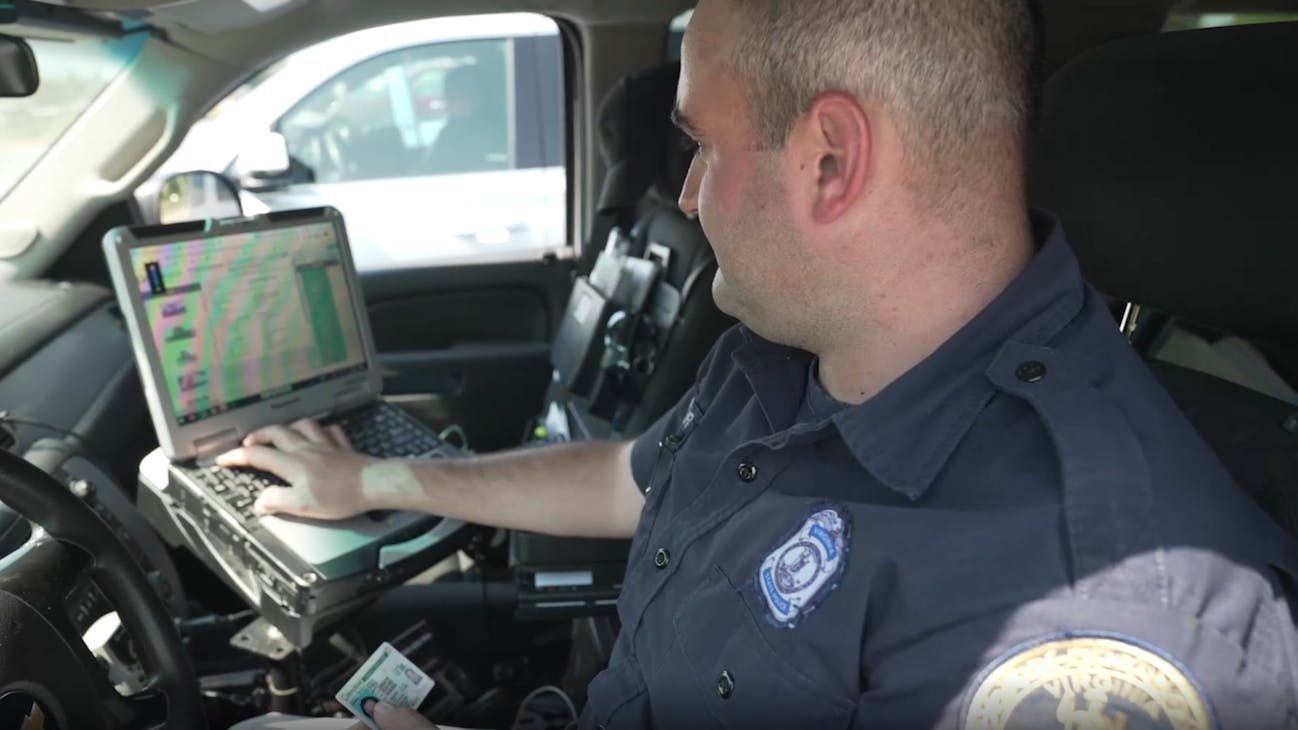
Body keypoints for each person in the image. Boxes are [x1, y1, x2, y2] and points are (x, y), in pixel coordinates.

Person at [227, 0, 1298, 728]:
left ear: (830, 162)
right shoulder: (784, 357)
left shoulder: (1085, 623)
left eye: (700, 145)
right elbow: (626, 478)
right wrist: (374, 481)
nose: (684, 196)